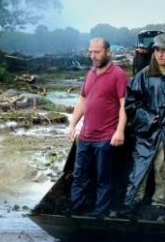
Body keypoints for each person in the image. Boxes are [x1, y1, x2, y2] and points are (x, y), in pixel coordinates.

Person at [117, 33, 165, 220]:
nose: (160, 54)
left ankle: (160, 203)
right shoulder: (144, 75)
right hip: (148, 132)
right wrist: (149, 118)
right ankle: (132, 202)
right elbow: (132, 102)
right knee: (139, 167)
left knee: (163, 168)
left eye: (164, 50)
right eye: (157, 50)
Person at [64, 38, 129, 218]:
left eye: (97, 52)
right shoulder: (90, 73)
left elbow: (125, 105)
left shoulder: (119, 75)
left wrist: (120, 131)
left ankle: (100, 213)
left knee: (103, 178)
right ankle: (74, 209)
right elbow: (83, 100)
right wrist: (72, 124)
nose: (93, 56)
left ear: (108, 52)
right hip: (85, 136)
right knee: (79, 176)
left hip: (106, 137)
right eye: (91, 52)